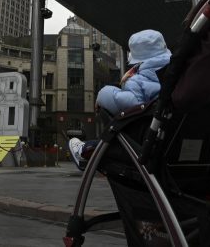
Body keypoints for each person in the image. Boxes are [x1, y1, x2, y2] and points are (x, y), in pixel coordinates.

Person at [68, 29, 170, 168]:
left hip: (143, 142)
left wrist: (103, 94)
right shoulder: (174, 76)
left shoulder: (138, 80)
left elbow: (130, 103)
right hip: (167, 140)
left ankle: (84, 150)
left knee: (117, 131)